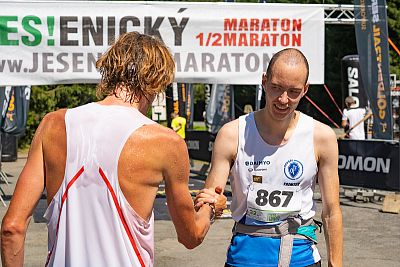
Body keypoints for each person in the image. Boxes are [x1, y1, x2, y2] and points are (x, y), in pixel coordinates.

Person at [1, 32, 225, 267]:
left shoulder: (52, 124)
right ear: (157, 81)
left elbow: (12, 228)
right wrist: (211, 207)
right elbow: (191, 236)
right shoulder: (165, 141)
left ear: (110, 69)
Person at [196, 48, 343, 267]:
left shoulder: (322, 137)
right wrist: (210, 208)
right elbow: (209, 200)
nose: (283, 99)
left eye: (293, 91)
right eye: (276, 88)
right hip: (245, 258)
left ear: (305, 90)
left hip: (301, 258)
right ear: (264, 82)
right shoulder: (232, 133)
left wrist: (336, 264)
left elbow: (331, 211)